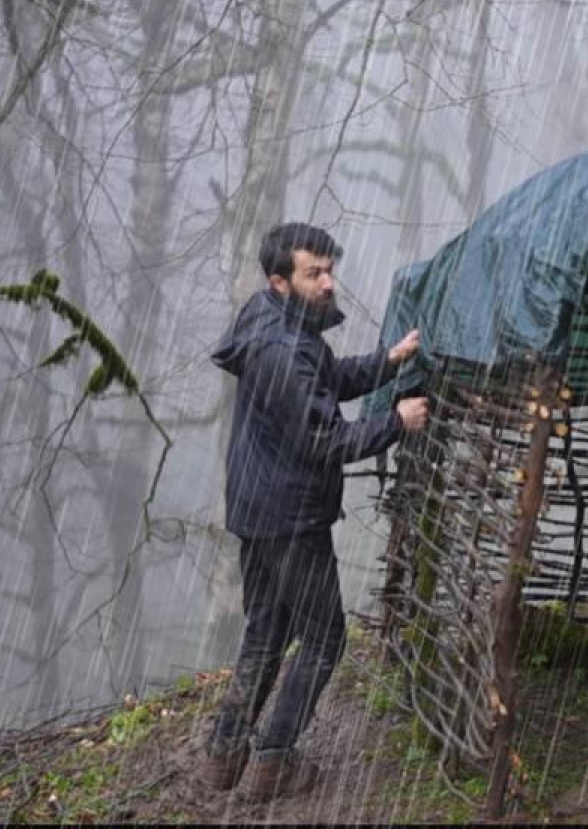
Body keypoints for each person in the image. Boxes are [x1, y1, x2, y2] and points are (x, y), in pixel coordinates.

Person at [198, 222, 431, 801]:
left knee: (267, 632)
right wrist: (396, 423)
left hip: (259, 507)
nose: (329, 283)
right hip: (289, 516)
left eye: (330, 270)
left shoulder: (277, 324)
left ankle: (224, 756)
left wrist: (389, 361)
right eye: (314, 273)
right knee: (324, 639)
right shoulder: (281, 349)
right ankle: (273, 762)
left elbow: (323, 380)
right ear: (281, 282)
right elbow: (325, 437)